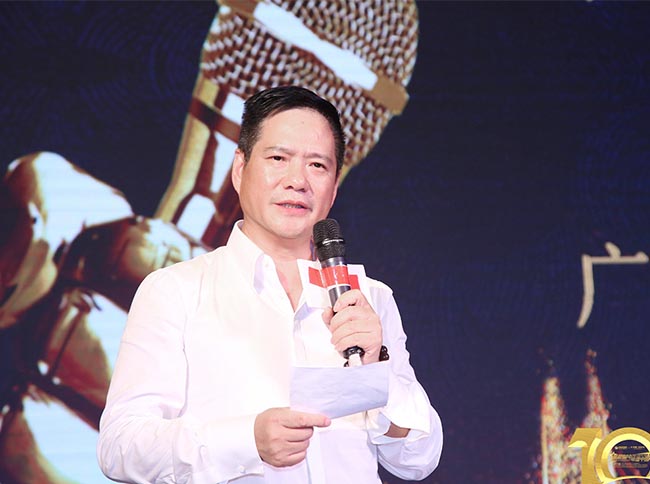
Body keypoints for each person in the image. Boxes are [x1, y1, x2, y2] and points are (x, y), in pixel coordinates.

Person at [96, 86, 443, 483]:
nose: (297, 181)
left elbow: (419, 457)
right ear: (239, 169)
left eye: (317, 165)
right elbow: (120, 447)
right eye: (278, 158)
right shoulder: (176, 291)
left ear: (334, 188)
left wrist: (375, 368)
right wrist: (246, 441)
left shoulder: (369, 299)